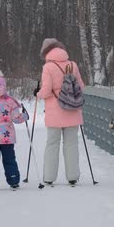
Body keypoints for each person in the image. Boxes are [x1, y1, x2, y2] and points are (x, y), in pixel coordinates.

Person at [34, 38, 85, 186]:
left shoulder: (48, 67)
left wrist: (37, 93)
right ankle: (73, 177)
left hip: (55, 114)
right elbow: (81, 87)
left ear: (46, 52)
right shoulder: (73, 65)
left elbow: (46, 90)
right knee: (71, 144)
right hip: (73, 111)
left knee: (52, 144)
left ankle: (49, 177)